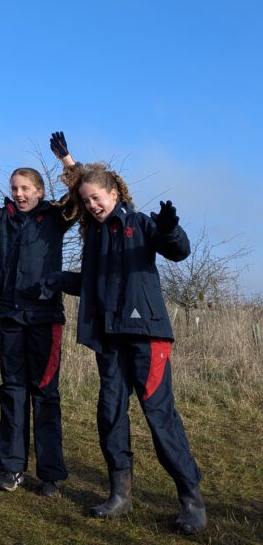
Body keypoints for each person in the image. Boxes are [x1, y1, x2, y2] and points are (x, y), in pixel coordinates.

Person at [46, 164, 206, 535]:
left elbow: (177, 250)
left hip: (146, 337)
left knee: (159, 417)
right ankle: (120, 494)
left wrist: (169, 228)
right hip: (108, 337)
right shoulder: (95, 237)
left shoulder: (139, 224)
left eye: (96, 199)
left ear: (113, 195)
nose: (92, 205)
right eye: (85, 201)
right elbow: (92, 284)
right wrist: (59, 279)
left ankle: (191, 499)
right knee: (110, 413)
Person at [0, 123, 79, 496]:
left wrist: (67, 160)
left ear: (39, 191)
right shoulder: (3, 219)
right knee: (12, 390)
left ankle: (50, 476)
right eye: (14, 189)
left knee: (46, 393)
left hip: (46, 317)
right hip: (11, 315)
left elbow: (81, 196)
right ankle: (11, 468)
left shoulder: (54, 217)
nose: (19, 194)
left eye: (25, 189)